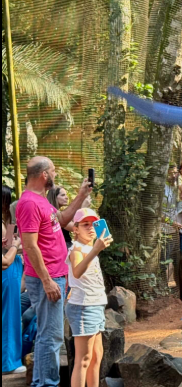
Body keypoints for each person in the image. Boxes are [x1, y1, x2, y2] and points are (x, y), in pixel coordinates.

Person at [17, 156, 92, 387]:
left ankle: (41, 382)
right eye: (53, 170)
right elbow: (30, 246)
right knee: (51, 336)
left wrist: (81, 195)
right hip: (47, 278)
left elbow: (61, 218)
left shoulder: (41, 200)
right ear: (44, 175)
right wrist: (47, 280)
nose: (55, 174)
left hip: (54, 275)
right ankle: (48, 383)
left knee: (47, 335)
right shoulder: (29, 203)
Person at [66, 208, 113, 387]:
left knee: (96, 356)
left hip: (95, 304)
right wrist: (95, 250)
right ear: (75, 229)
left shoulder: (88, 248)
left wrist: (95, 249)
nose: (91, 228)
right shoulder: (76, 249)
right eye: (85, 224)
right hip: (83, 307)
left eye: (93, 224)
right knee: (83, 359)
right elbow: (77, 272)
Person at [3, 185, 26, 375]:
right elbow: (5, 259)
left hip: (14, 269)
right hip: (8, 271)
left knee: (12, 315)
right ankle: (8, 362)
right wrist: (17, 244)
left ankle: (11, 358)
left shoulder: (6, 221)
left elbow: (9, 245)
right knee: (9, 317)